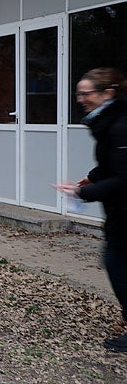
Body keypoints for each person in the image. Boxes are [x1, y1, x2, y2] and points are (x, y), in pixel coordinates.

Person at [56, 67, 127, 353]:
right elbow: (114, 163)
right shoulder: (110, 123)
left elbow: (125, 178)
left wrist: (83, 192)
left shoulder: (120, 125)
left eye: (86, 93)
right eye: (78, 93)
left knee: (117, 264)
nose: (80, 99)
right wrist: (93, 177)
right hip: (121, 211)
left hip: (125, 212)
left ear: (107, 93)